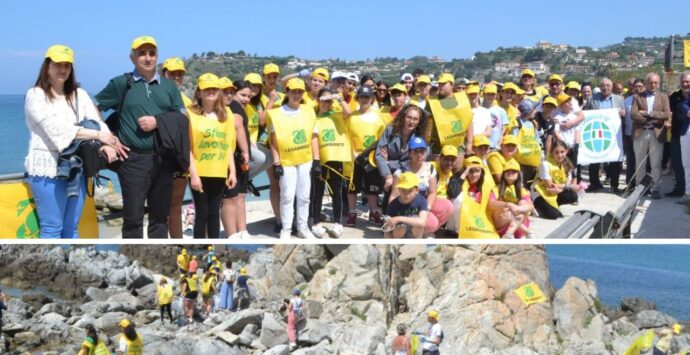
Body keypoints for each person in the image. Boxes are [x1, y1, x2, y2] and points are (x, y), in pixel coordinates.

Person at [25, 44, 119, 238]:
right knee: (52, 228)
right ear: (47, 66)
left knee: (72, 228)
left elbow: (98, 122)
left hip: (77, 168)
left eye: (67, 65)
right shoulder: (35, 95)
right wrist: (97, 136)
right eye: (58, 64)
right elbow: (55, 128)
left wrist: (109, 143)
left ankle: (69, 263)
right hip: (47, 169)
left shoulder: (80, 95)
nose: (63, 69)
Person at [96, 35, 185, 238]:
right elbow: (93, 109)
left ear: (157, 57)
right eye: (142, 53)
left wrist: (158, 121)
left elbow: (181, 119)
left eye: (151, 53)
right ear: (132, 57)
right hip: (132, 160)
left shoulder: (169, 87)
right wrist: (107, 138)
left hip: (164, 159)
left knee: (160, 220)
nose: (147, 58)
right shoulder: (120, 83)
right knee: (133, 220)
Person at [187, 73, 237, 239]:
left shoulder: (226, 115)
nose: (211, 91)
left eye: (214, 88)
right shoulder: (190, 114)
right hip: (199, 172)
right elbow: (188, 148)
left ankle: (214, 245)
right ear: (199, 92)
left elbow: (228, 145)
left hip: (219, 171)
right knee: (202, 213)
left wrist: (233, 172)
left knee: (214, 212)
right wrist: (193, 175)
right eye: (207, 88)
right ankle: (199, 244)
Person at [268, 78, 318, 239]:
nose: (297, 94)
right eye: (293, 91)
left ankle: (303, 227)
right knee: (287, 196)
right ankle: (286, 228)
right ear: (287, 92)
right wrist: (276, 162)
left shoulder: (309, 110)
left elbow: (314, 136)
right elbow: (273, 140)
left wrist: (316, 160)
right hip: (286, 160)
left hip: (305, 158)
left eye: (300, 91)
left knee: (304, 196)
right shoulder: (275, 113)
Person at [310, 88, 352, 238]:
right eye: (323, 100)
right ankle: (315, 222)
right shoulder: (312, 117)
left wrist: (339, 98)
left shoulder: (337, 115)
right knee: (318, 193)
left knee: (337, 192)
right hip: (320, 159)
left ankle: (338, 222)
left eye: (329, 101)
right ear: (317, 100)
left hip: (336, 157)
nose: (326, 103)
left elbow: (348, 113)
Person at [389, 138, 452, 236]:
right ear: (410, 154)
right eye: (415, 151)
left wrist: (427, 208)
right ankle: (410, 232)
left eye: (422, 151)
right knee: (431, 222)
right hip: (406, 206)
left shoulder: (430, 169)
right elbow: (394, 195)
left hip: (422, 203)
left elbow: (432, 192)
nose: (419, 155)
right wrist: (391, 215)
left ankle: (423, 232)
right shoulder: (400, 171)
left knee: (448, 206)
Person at [162, 57, 192, 239]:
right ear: (164, 73)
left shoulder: (187, 101)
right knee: (160, 207)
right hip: (159, 158)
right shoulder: (155, 95)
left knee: (175, 205)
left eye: (180, 73)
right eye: (173, 73)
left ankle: (176, 240)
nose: (177, 77)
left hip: (180, 159)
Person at [347, 86, 386, 227]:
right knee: (352, 188)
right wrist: (352, 153)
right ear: (357, 98)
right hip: (355, 157)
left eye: (367, 97)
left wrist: (376, 155)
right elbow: (347, 137)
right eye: (361, 97)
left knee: (372, 188)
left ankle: (373, 212)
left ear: (372, 99)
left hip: (371, 159)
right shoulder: (352, 117)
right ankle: (352, 213)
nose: (364, 100)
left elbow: (382, 139)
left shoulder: (378, 117)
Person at [631, 72, 672, 199]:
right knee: (640, 163)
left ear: (658, 84)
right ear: (646, 83)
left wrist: (648, 113)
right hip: (640, 133)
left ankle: (655, 188)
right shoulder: (637, 97)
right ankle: (639, 188)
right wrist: (654, 118)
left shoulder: (663, 97)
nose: (653, 85)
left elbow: (666, 114)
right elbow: (634, 115)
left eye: (655, 82)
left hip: (657, 134)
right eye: (650, 82)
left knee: (656, 163)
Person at [221, 81, 252, 239]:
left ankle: (241, 231)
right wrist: (246, 151)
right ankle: (233, 233)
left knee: (240, 195)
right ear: (234, 94)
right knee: (232, 197)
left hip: (238, 156)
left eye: (249, 96)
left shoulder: (234, 106)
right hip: (236, 155)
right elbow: (238, 127)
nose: (246, 99)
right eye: (243, 95)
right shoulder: (234, 105)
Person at [584, 78, 626, 194]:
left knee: (614, 161)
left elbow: (624, 116)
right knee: (594, 160)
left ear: (612, 87)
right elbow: (585, 114)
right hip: (596, 133)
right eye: (603, 85)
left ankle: (614, 185)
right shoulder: (592, 99)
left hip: (614, 134)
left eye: (608, 85)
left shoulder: (619, 99)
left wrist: (624, 113)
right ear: (600, 86)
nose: (605, 88)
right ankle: (594, 183)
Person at [447, 156, 500, 238]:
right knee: (460, 198)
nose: (474, 175)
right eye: (470, 171)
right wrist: (464, 174)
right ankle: (459, 232)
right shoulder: (456, 178)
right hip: (456, 222)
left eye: (477, 171)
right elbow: (453, 194)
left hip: (475, 221)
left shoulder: (485, 185)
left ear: (481, 172)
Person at [427, 73, 474, 166]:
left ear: (452, 85)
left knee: (456, 175)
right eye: (439, 84)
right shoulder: (432, 102)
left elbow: (469, 122)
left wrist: (469, 143)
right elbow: (426, 125)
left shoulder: (462, 100)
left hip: (458, 147)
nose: (440, 86)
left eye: (443, 84)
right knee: (439, 175)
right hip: (438, 147)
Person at [532, 140, 581, 219]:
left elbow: (566, 185)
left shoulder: (567, 165)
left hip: (555, 191)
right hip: (540, 193)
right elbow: (550, 186)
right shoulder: (545, 164)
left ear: (566, 151)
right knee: (554, 215)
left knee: (573, 196)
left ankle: (553, 205)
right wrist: (569, 187)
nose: (560, 155)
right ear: (552, 152)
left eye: (562, 152)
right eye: (557, 152)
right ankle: (536, 207)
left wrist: (560, 189)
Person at [491, 160, 535, 239]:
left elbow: (530, 206)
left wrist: (518, 208)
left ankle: (509, 234)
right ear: (503, 173)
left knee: (523, 202)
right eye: (507, 171)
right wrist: (508, 205)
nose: (510, 173)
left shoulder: (521, 190)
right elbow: (491, 204)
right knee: (503, 207)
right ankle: (527, 232)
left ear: (518, 174)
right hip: (501, 223)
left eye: (513, 171)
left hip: (516, 224)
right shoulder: (496, 188)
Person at [383, 172, 429, 238]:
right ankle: (396, 246)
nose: (406, 194)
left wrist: (399, 218)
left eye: (410, 190)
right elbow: (386, 227)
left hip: (413, 231)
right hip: (398, 233)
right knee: (399, 227)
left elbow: (422, 222)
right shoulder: (393, 204)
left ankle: (416, 245)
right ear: (399, 190)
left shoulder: (422, 201)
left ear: (417, 190)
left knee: (419, 226)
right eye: (403, 190)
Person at [512, 100, 543, 187]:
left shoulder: (532, 124)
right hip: (520, 160)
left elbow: (536, 138)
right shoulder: (517, 123)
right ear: (528, 111)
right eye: (534, 109)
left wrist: (540, 146)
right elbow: (514, 139)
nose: (535, 111)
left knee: (530, 182)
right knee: (520, 183)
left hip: (532, 159)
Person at [669, 72, 690, 201]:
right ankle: (680, 189)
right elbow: (674, 108)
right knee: (678, 163)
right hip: (677, 134)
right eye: (683, 82)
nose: (685, 84)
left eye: (687, 82)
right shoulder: (675, 96)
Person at [553, 92, 583, 183]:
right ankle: (563, 183)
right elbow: (556, 132)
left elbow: (577, 131)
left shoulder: (575, 117)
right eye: (566, 101)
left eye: (570, 101)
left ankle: (574, 184)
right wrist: (564, 144)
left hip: (573, 146)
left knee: (574, 166)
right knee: (564, 165)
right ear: (561, 105)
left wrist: (577, 144)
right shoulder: (557, 117)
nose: (570, 103)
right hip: (563, 146)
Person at [624, 79, 645, 189]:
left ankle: (643, 185)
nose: (637, 88)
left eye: (640, 86)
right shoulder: (626, 100)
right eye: (635, 86)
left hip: (643, 133)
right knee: (631, 161)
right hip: (629, 134)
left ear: (644, 87)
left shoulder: (646, 99)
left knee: (643, 161)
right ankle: (630, 185)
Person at [482, 83, 509, 150]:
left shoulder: (501, 111)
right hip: (481, 145)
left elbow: (503, 130)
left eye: (493, 94)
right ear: (484, 94)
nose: (491, 96)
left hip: (495, 147)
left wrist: (498, 144)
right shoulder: (479, 109)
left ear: (496, 95)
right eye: (488, 94)